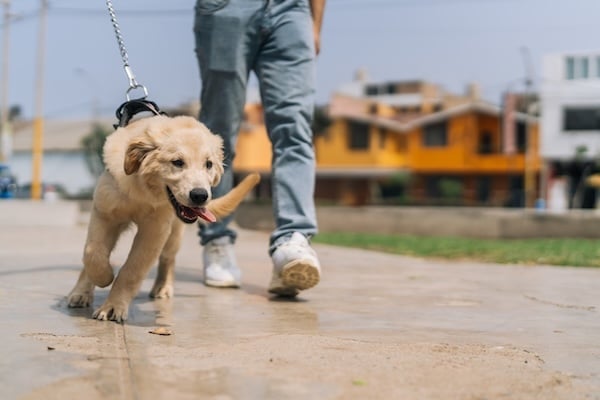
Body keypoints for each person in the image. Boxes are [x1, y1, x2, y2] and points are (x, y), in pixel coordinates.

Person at [193, 0, 326, 296]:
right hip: (226, 9)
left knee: (295, 128)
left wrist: (314, 23)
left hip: (292, 10)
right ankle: (217, 238)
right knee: (219, 132)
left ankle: (293, 240)